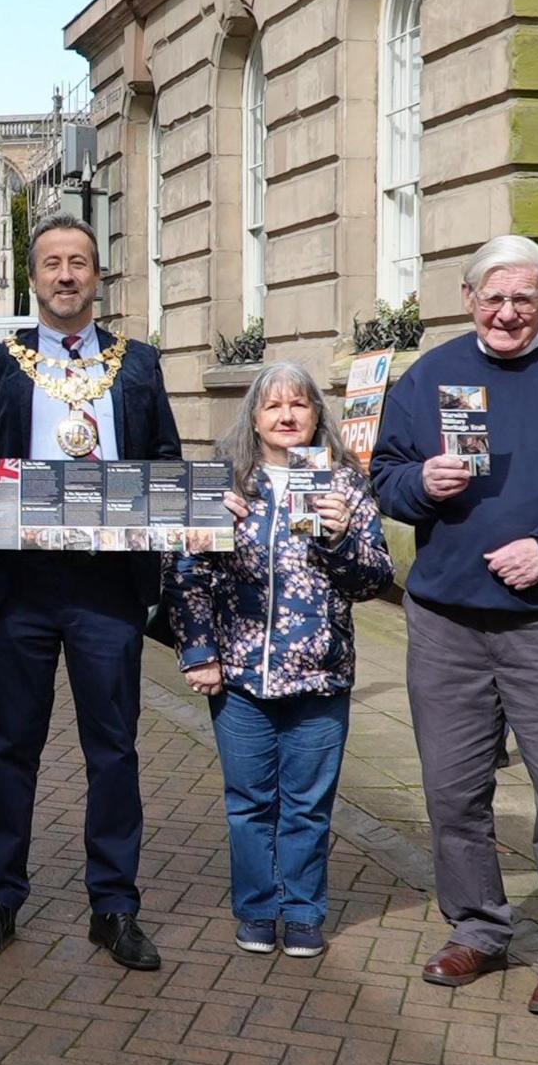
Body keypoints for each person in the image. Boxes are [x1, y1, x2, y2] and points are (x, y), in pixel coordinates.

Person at [368, 234, 538, 1019]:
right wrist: (420, 481)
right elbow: (385, 476)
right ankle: (479, 927)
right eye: (493, 297)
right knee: (453, 791)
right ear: (468, 299)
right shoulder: (431, 375)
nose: (507, 312)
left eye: (524, 298)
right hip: (446, 622)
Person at [0, 215, 182, 970]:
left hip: (107, 589)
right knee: (12, 747)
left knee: (112, 749)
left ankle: (114, 906)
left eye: (79, 262)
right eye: (52, 263)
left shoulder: (138, 365)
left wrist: (185, 511)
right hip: (20, 586)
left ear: (98, 276)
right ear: (34, 277)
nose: (66, 276)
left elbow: (167, 465)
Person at [165, 362, 392, 959]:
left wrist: (340, 540)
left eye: (300, 405)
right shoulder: (227, 482)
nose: (287, 416)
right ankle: (259, 909)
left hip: (320, 675)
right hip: (240, 676)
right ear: (255, 418)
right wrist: (199, 653)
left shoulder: (344, 484)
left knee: (308, 806)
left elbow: (375, 580)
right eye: (273, 407)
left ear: (318, 414)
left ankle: (304, 909)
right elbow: (186, 576)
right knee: (249, 805)